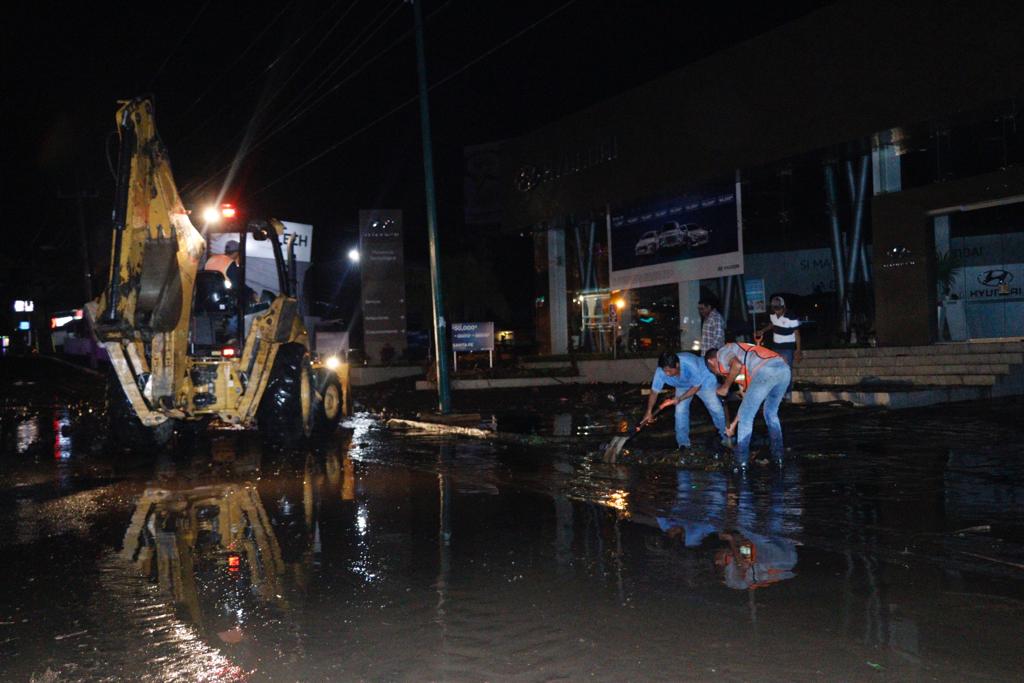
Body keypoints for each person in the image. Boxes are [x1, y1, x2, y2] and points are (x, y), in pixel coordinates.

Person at [705, 342, 790, 470]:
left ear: (712, 361)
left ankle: (741, 462)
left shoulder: (722, 352)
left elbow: (736, 364)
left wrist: (725, 387)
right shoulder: (745, 368)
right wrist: (732, 426)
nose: (719, 374)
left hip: (766, 369)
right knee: (770, 413)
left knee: (747, 418)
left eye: (714, 372)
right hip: (784, 370)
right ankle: (778, 457)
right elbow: (746, 406)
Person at [643, 351, 729, 454]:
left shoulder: (690, 364)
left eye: (669, 371)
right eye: (665, 371)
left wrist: (680, 398)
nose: (667, 374)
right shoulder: (661, 371)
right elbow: (654, 391)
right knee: (680, 412)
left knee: (715, 407)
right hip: (683, 385)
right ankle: (683, 444)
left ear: (677, 365)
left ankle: (726, 437)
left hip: (703, 381)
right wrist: (648, 411)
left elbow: (697, 387)